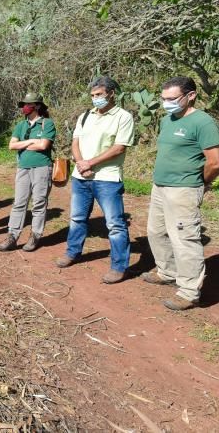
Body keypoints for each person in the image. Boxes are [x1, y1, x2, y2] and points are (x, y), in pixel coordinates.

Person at [144, 76, 219, 311]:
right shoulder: (168, 120)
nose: (166, 103)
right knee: (156, 232)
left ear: (190, 96)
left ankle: (189, 292)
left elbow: (215, 163)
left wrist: (201, 183)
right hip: (160, 186)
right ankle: (167, 271)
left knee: (184, 239)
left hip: (184, 189)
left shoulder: (203, 122)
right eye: (163, 98)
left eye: (172, 98)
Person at [55, 76, 135, 284]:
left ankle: (119, 266)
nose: (95, 99)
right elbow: (75, 142)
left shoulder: (123, 117)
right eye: (92, 95)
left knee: (115, 224)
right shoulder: (85, 116)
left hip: (107, 178)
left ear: (111, 93)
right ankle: (73, 252)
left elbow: (119, 147)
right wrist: (81, 163)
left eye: (99, 95)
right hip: (80, 176)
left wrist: (90, 163)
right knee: (77, 218)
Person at [0, 92, 56, 252]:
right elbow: (11, 145)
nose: (25, 107)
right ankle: (12, 237)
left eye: (28, 104)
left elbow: (43, 146)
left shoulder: (46, 124)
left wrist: (24, 144)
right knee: (19, 203)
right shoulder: (20, 125)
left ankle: (35, 236)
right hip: (23, 168)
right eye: (24, 105)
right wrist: (31, 141)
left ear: (37, 106)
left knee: (39, 202)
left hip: (42, 167)